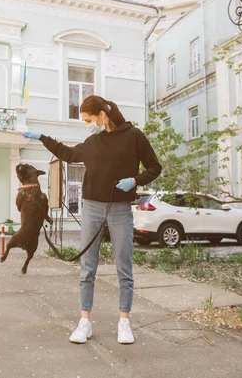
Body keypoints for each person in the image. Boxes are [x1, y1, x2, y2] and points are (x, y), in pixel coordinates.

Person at [22, 95, 162, 345]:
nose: (87, 123)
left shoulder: (134, 136)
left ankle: (124, 323)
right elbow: (67, 153)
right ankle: (84, 322)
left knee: (124, 268)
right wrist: (42, 138)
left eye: (88, 119)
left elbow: (154, 167)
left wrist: (135, 181)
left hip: (120, 210)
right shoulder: (93, 142)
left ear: (101, 115)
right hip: (92, 209)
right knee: (88, 268)